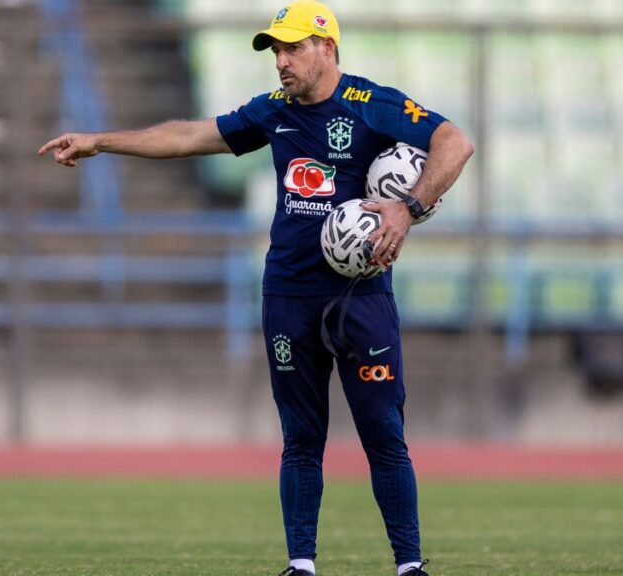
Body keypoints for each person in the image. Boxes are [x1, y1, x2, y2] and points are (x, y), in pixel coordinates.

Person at [38, 1, 473, 574]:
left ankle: (410, 566)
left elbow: (455, 142)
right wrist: (101, 141)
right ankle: (301, 565)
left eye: (293, 48)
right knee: (300, 438)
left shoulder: (374, 105)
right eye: (276, 51)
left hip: (361, 298)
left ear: (327, 48)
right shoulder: (272, 112)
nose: (282, 62)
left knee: (384, 435)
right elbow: (188, 135)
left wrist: (407, 209)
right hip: (289, 295)